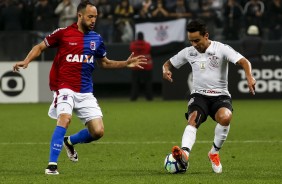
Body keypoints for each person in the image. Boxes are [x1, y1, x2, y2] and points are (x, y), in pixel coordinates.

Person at [13, 0, 146, 175]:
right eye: (90, 17)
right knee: (65, 119)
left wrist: (125, 63)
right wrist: (27, 60)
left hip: (85, 91)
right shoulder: (63, 33)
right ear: (80, 15)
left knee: (98, 131)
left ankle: (70, 141)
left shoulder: (96, 39)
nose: (93, 20)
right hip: (64, 87)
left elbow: (104, 63)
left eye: (96, 17)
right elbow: (40, 47)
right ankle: (52, 164)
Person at [162, 19, 256, 173]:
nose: (194, 44)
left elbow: (244, 62)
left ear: (206, 35)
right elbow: (167, 64)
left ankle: (214, 152)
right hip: (199, 95)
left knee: (225, 117)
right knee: (193, 118)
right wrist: (165, 70)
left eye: (197, 40)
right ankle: (184, 154)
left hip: (220, 96)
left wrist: (249, 77)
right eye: (191, 41)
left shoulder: (221, 49)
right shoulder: (188, 52)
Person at [129, 32, 153, 101]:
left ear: (137, 37)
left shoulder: (132, 45)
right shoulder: (147, 45)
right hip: (147, 67)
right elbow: (149, 49)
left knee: (135, 84)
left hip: (136, 67)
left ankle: (133, 98)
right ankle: (149, 97)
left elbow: (130, 49)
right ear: (143, 37)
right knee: (148, 84)